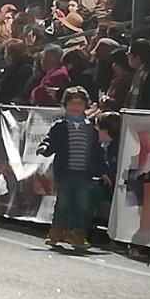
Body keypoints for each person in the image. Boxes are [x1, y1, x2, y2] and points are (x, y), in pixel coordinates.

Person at [38, 87, 107, 249]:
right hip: (65, 173)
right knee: (63, 203)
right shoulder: (60, 126)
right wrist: (44, 148)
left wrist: (103, 171)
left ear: (85, 106)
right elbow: (50, 141)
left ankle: (77, 234)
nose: (75, 107)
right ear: (65, 105)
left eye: (79, 103)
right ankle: (57, 231)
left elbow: (97, 152)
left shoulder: (91, 128)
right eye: (72, 103)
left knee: (82, 205)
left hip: (85, 174)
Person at [125, 39, 150, 109]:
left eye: (129, 54)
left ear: (137, 57)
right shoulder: (146, 71)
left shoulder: (148, 75)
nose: (127, 57)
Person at [0, 39, 33, 104]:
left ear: (12, 55)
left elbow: (16, 91)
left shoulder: (25, 69)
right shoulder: (10, 67)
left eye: (6, 53)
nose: (5, 56)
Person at [95, 48, 133, 112]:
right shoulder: (116, 80)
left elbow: (122, 102)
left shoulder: (128, 81)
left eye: (116, 63)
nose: (113, 66)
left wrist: (107, 101)